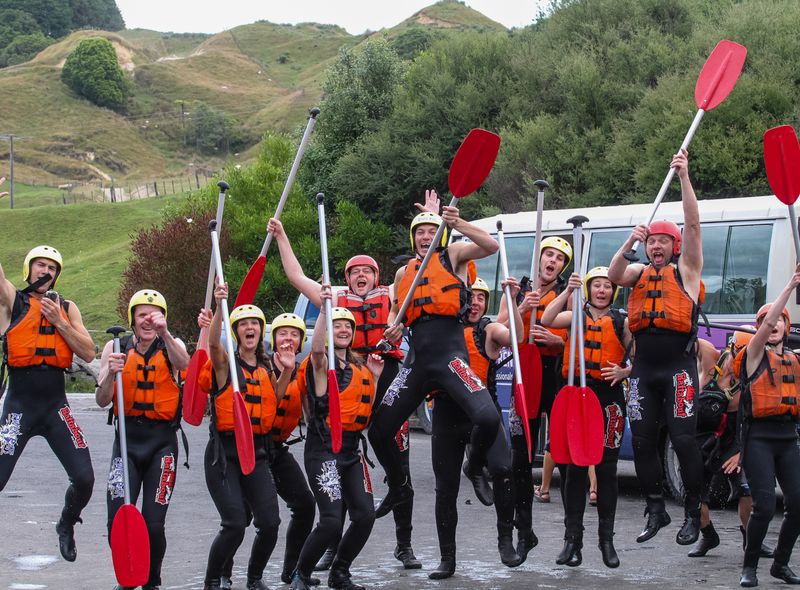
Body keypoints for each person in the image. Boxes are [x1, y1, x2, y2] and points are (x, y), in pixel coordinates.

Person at [269, 217, 420, 570]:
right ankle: (331, 545)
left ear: (376, 276)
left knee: (401, 465)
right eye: (355, 272)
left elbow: (423, 263)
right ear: (348, 278)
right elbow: (295, 276)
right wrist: (282, 235)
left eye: (368, 271)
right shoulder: (334, 298)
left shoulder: (393, 296)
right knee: (339, 457)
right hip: (343, 377)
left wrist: (431, 222)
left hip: (386, 376)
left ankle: (404, 543)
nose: (361, 276)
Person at [367, 200, 502, 577]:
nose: (426, 237)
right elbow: (397, 313)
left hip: (450, 357)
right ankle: (399, 487)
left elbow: (491, 246)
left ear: (440, 234)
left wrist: (458, 223)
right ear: (413, 239)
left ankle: (474, 466)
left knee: (488, 417)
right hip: (417, 363)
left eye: (432, 231)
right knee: (379, 428)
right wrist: (392, 326)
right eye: (420, 232)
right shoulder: (402, 275)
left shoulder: (455, 254)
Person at [608, 149, 705, 546]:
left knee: (682, 440)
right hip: (644, 370)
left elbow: (695, 225)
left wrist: (683, 176)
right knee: (644, 439)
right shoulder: (638, 271)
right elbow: (614, 274)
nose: (657, 247)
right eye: (654, 242)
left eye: (665, 241)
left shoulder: (687, 269)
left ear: (676, 246)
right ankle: (655, 508)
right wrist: (628, 242)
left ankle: (693, 514)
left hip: (679, 368)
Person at [0, 245, 96, 562]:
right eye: (40, 265)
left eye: (52, 268)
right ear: (29, 270)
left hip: (56, 406)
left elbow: (89, 352)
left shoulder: (67, 308)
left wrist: (61, 323)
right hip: (19, 405)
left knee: (85, 478)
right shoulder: (13, 301)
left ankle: (66, 524)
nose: (46, 271)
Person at [429, 276, 525, 580]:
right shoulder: (439, 330)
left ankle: (505, 541)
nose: (474, 302)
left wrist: (517, 305)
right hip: (447, 415)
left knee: (502, 469)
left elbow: (514, 338)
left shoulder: (487, 329)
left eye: (481, 297)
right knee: (445, 489)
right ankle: (447, 558)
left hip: (483, 413)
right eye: (469, 296)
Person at [198, 289, 293, 590]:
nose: (249, 328)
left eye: (254, 324)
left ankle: (254, 579)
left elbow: (273, 400)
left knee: (270, 523)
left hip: (257, 454)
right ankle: (214, 580)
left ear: (261, 331)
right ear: (236, 332)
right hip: (224, 455)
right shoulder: (227, 366)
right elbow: (213, 344)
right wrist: (218, 306)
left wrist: (287, 371)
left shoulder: (266, 369)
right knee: (235, 525)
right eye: (242, 324)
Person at [218, 313, 320, 589]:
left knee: (305, 505)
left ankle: (291, 570)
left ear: (301, 342)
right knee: (241, 518)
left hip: (276, 450)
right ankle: (224, 573)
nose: (289, 338)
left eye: (295, 334)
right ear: (272, 339)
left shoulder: (301, 371)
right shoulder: (258, 365)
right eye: (283, 333)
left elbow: (312, 412)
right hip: (249, 448)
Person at [96, 289, 189, 590]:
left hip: (162, 445)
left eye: (154, 314)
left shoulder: (171, 346)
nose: (147, 320)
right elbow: (101, 399)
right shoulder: (116, 346)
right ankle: (129, 577)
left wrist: (166, 332)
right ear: (132, 319)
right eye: (141, 315)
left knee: (153, 524)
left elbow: (185, 364)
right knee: (116, 522)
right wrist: (111, 373)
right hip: (126, 443)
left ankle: (151, 581)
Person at [541, 267, 631, 568]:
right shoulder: (575, 315)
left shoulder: (623, 322)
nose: (602, 291)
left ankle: (606, 540)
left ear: (613, 291)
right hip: (576, 395)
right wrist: (568, 291)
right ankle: (572, 541)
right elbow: (547, 320)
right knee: (575, 470)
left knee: (606, 469)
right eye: (596, 286)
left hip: (608, 399)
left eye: (607, 286)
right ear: (589, 289)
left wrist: (625, 371)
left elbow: (643, 357)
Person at [290, 298, 382, 590]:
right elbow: (317, 350)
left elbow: (364, 410)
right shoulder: (321, 364)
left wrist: (376, 377)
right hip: (324, 449)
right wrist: (324, 311)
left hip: (352, 450)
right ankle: (300, 574)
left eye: (346, 326)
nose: (342, 329)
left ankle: (340, 572)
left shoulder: (361, 367)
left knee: (365, 516)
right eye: (336, 325)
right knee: (330, 521)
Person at [497, 236, 570, 558]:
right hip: (525, 377)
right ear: (539, 259)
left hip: (556, 373)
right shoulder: (517, 289)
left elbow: (582, 335)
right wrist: (519, 307)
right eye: (548, 255)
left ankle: (573, 535)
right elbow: (498, 330)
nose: (551, 261)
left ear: (562, 268)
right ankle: (524, 530)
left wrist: (558, 340)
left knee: (566, 457)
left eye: (558, 259)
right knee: (520, 459)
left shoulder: (568, 296)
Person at [737, 266, 800, 587]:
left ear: (788, 329)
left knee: (798, 505)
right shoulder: (753, 353)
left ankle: (780, 564)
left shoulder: (795, 360)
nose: (772, 324)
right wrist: (790, 286)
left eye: (779, 321)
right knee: (763, 505)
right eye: (766, 322)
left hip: (788, 438)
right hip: (758, 437)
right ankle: (749, 567)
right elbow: (765, 326)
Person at [689, 330, 773, 560]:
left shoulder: (753, 377)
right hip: (703, 435)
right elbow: (690, 337)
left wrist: (740, 453)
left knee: (746, 489)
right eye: (741, 352)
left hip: (733, 438)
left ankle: (750, 539)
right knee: (694, 493)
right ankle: (708, 535)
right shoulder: (711, 360)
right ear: (733, 348)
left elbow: (748, 425)